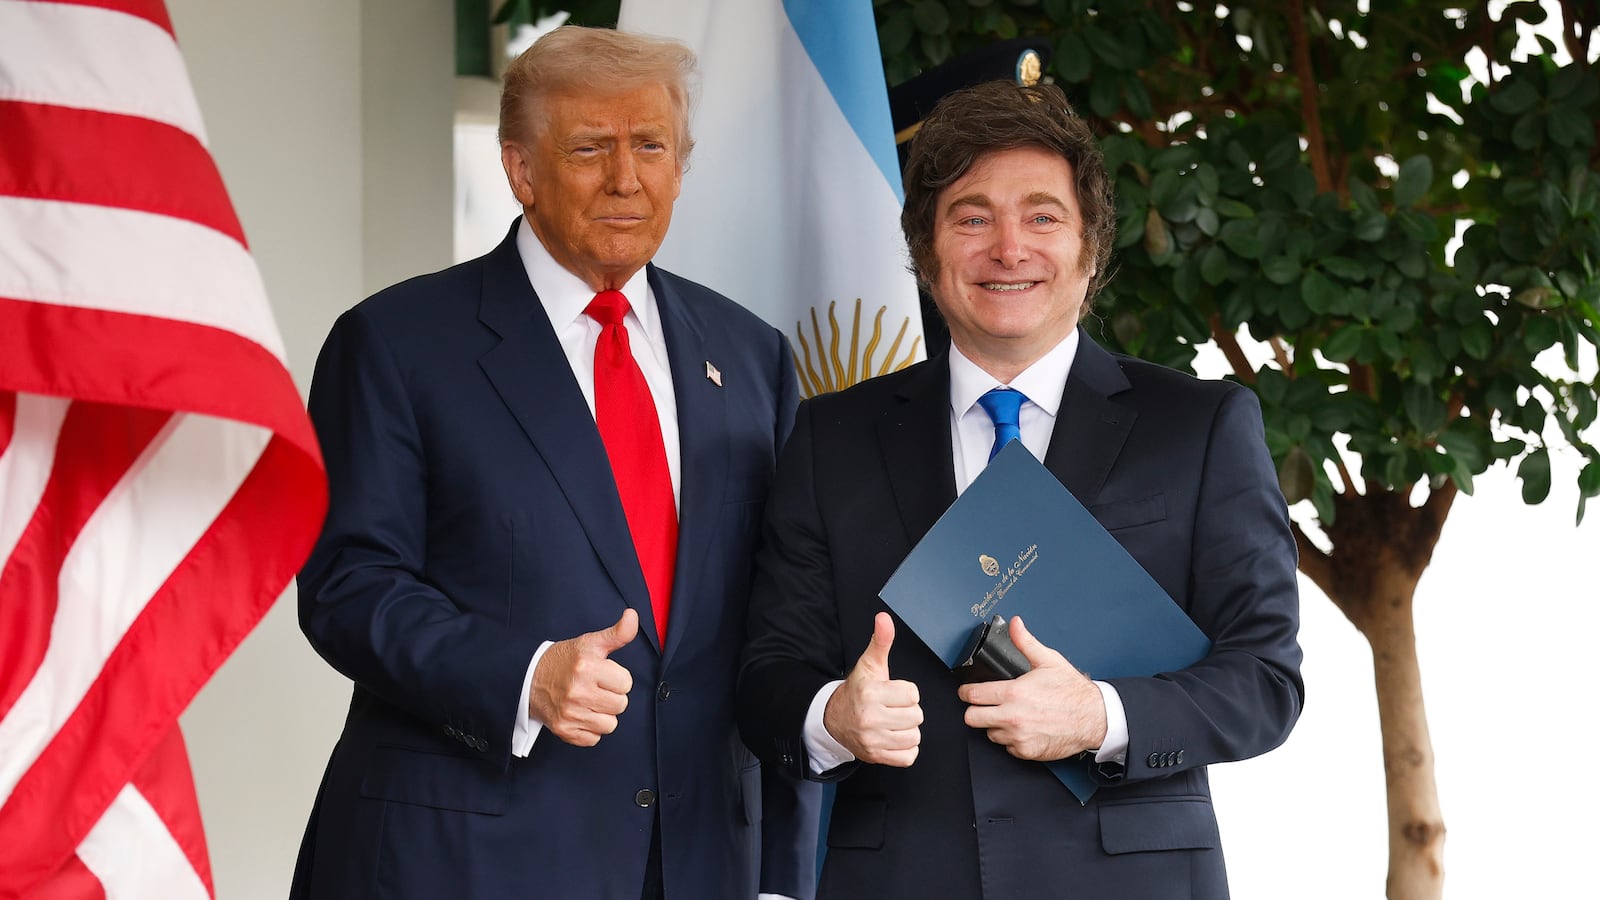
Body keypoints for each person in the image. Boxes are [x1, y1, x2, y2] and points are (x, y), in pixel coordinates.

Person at [736, 80, 1303, 899]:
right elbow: (765, 673)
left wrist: (1101, 716)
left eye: (1042, 216)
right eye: (972, 218)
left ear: (1090, 249)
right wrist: (832, 716)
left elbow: (1265, 679)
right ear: (926, 253)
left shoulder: (1202, 425)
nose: (1009, 249)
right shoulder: (834, 438)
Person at [290, 25, 818, 900]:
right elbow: (347, 584)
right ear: (521, 171)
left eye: (651, 146)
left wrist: (783, 872)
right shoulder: (394, 344)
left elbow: (781, 616)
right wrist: (525, 677)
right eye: (589, 149)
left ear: (680, 167)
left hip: (698, 864)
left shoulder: (752, 355)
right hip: (464, 862)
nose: (626, 177)